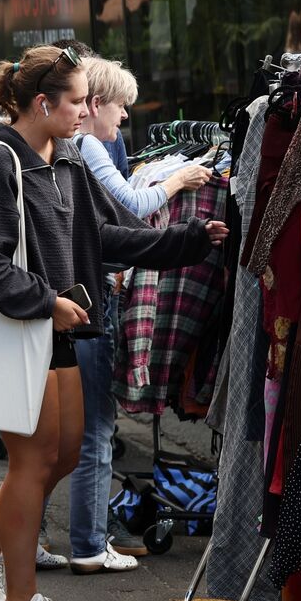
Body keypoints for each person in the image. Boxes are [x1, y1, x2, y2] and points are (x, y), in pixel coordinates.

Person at [0, 44, 227, 601]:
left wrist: (187, 240)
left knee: (67, 452)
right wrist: (47, 301)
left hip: (58, 327)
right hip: (26, 329)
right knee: (34, 460)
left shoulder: (67, 154)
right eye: (76, 101)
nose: (86, 110)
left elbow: (101, 237)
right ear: (43, 102)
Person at [66, 55, 213, 574]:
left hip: (82, 293)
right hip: (92, 296)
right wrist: (178, 181)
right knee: (96, 429)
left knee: (70, 432)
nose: (125, 118)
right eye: (122, 106)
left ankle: (69, 538)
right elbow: (130, 202)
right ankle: (89, 544)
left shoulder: (78, 147)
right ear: (96, 103)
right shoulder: (87, 146)